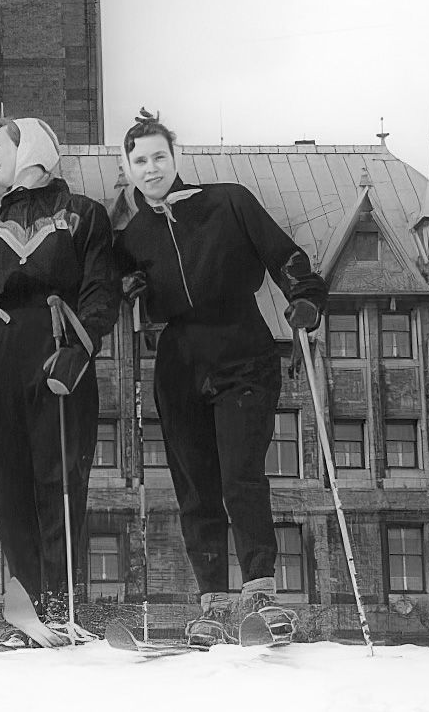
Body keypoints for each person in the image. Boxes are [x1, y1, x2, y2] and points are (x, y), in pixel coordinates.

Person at [114, 110, 327, 646]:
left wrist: (304, 298)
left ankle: (260, 594)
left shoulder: (227, 200)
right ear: (130, 169)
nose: (151, 167)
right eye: (140, 161)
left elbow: (286, 255)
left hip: (241, 350)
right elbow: (112, 285)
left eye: (159, 156)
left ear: (175, 157)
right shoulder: (135, 233)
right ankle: (211, 603)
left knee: (240, 475)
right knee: (195, 486)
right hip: (179, 362)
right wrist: (129, 287)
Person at [0, 117, 119, 644]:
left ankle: (62, 605)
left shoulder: (82, 215)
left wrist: (79, 349)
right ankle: (29, 609)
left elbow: (100, 290)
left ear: (31, 149)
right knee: (11, 492)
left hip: (56, 357)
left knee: (60, 482)